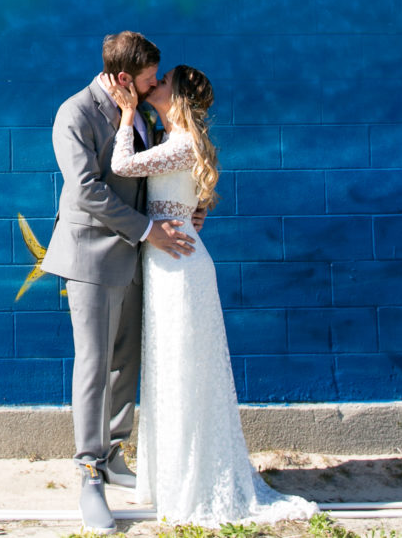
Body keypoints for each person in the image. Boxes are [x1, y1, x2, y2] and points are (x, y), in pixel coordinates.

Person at [107, 64, 318, 525]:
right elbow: (178, 201)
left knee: (184, 370)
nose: (153, 85)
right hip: (171, 260)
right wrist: (190, 213)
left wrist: (124, 118)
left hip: (180, 268)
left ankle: (195, 482)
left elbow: (121, 166)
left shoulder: (180, 144)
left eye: (162, 83)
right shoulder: (175, 143)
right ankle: (176, 478)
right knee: (172, 369)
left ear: (177, 97)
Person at [41, 31, 197, 530]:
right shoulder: (75, 113)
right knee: (93, 363)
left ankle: (111, 455)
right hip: (91, 257)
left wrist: (185, 212)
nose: (157, 82)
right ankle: (88, 471)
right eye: (151, 75)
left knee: (124, 361)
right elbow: (85, 190)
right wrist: (151, 229)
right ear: (126, 76)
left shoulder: (142, 111)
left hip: (136, 258)